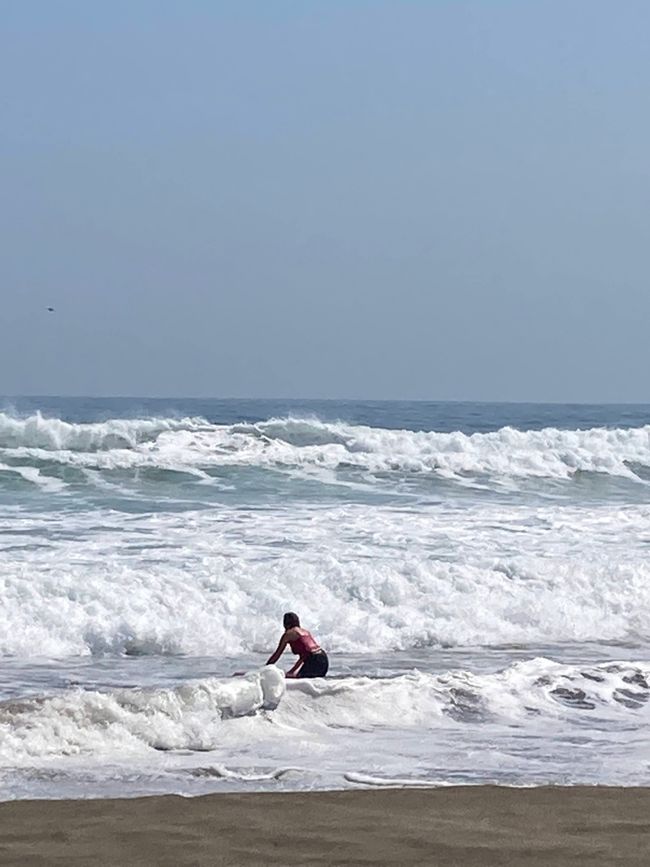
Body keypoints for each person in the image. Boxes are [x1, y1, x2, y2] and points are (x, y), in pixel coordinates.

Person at [266, 612, 329, 678]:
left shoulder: (288, 634)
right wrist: (292, 672)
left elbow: (277, 654)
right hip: (323, 658)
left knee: (300, 682)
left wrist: (266, 667)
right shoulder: (305, 632)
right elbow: (305, 656)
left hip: (313, 660)